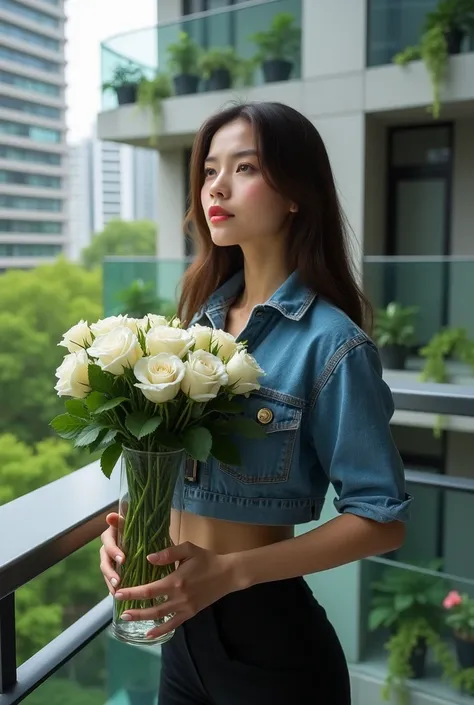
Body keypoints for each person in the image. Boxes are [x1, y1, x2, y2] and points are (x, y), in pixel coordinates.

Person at [99, 101, 412, 704]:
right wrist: (124, 538)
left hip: (271, 648)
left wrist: (229, 573)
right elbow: (166, 467)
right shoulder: (196, 325)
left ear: (296, 194)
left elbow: (381, 519)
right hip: (181, 638)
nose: (216, 185)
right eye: (210, 169)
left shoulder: (333, 345)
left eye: (244, 168)